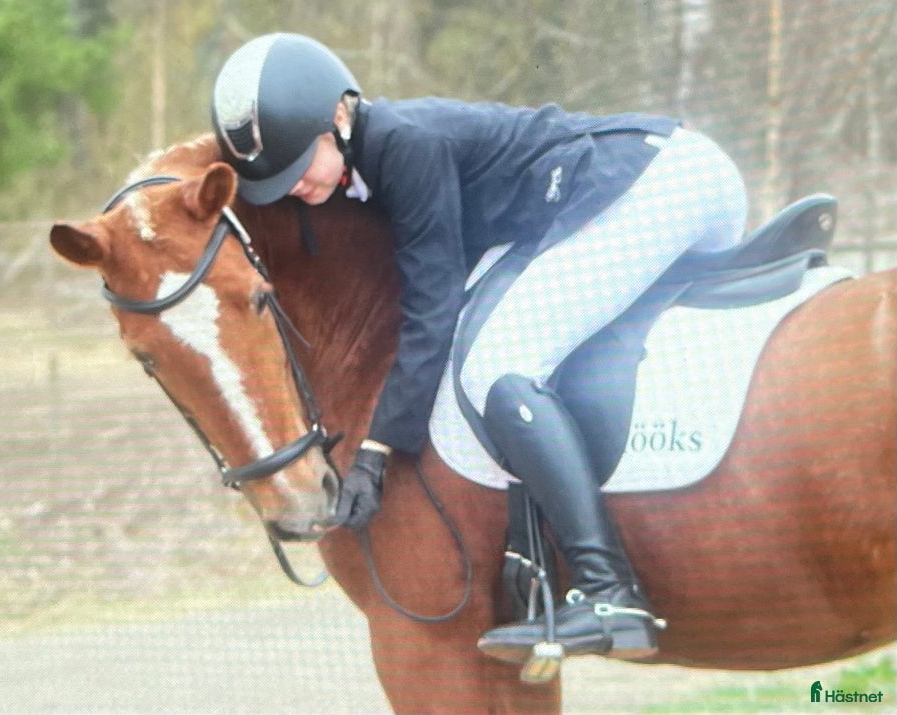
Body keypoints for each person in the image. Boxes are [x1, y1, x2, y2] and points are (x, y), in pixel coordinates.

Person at [211, 33, 747, 660]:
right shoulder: (370, 165)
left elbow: (431, 312)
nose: (293, 186)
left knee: (499, 363)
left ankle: (608, 590)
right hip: (651, 181)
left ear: (338, 115)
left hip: (661, 182)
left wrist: (377, 452)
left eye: (298, 162)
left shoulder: (405, 143)